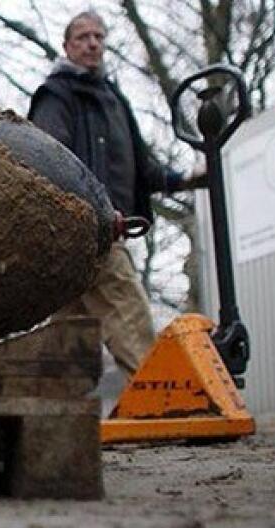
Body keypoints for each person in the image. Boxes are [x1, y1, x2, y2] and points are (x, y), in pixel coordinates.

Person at [28, 10, 203, 377]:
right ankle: (160, 398)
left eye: (99, 37)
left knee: (68, 331)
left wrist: (184, 180)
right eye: (83, 37)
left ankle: (51, 411)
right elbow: (48, 159)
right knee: (127, 309)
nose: (93, 43)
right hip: (84, 229)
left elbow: (144, 166)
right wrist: (95, 210)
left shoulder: (113, 99)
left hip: (104, 229)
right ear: (67, 46)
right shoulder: (57, 96)